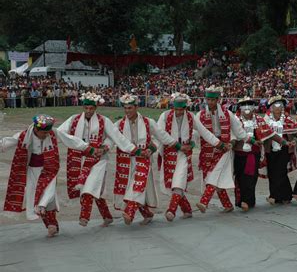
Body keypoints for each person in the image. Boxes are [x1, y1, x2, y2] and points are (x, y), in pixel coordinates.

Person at [58, 92, 139, 227]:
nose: (89, 111)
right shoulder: (73, 119)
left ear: (96, 108)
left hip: (98, 160)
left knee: (89, 188)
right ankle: (107, 216)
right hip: (78, 159)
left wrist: (106, 147)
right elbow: (60, 132)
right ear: (83, 107)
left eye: (91, 108)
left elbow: (116, 136)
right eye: (86, 108)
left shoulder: (104, 120)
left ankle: (84, 216)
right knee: (96, 189)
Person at [1, 115, 90, 237]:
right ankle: (51, 225)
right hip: (33, 171)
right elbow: (6, 143)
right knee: (37, 198)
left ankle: (51, 224)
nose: (46, 135)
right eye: (43, 132)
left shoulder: (53, 132)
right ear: (36, 130)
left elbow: (70, 139)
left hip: (50, 169)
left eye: (48, 132)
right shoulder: (24, 136)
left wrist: (87, 148)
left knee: (49, 196)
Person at [157, 92, 222, 221]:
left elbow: (203, 132)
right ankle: (187, 209)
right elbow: (160, 134)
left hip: (184, 154)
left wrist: (219, 143)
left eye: (181, 109)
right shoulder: (164, 116)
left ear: (186, 108)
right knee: (171, 183)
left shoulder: (191, 117)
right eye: (176, 109)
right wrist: (176, 145)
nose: (179, 112)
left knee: (179, 180)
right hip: (169, 153)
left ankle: (171, 210)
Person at [112, 94, 175, 225]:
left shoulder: (148, 122)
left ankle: (130, 212)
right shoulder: (119, 124)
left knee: (138, 184)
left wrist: (176, 145)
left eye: (130, 108)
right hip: (126, 161)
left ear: (136, 107)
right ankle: (147, 214)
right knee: (135, 187)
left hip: (143, 160)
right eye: (125, 108)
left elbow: (161, 136)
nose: (127, 111)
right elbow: (112, 139)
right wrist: (103, 148)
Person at [195, 85, 249, 213]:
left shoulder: (227, 113)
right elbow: (195, 132)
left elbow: (238, 130)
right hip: (208, 149)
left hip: (225, 148)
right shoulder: (200, 115)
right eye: (208, 100)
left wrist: (249, 140)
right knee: (214, 176)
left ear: (218, 100)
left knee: (214, 175)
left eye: (213, 100)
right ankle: (227, 205)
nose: (210, 102)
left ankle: (204, 202)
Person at [233, 97, 281, 211]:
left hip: (254, 153)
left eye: (250, 105)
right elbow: (232, 135)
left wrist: (283, 142)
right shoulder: (235, 120)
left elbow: (270, 133)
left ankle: (248, 200)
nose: (247, 108)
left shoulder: (258, 120)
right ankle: (241, 201)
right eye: (244, 105)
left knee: (251, 177)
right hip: (240, 154)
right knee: (240, 177)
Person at [263, 95, 297, 205]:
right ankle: (278, 196)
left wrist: (294, 141)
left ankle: (281, 195)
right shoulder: (265, 120)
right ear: (271, 108)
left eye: (280, 105)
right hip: (270, 149)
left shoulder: (288, 119)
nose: (278, 108)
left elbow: (295, 132)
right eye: (275, 106)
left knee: (281, 172)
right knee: (272, 172)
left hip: (284, 149)